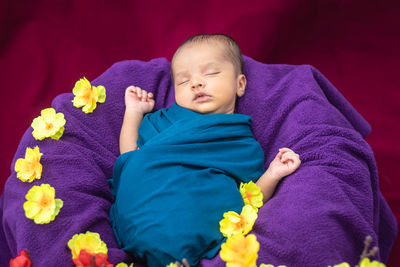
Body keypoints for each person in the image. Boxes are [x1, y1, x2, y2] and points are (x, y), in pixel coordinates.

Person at [109, 34, 301, 267]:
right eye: (183, 81)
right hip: (142, 212)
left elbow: (250, 197)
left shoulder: (239, 141)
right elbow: (129, 158)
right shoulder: (163, 120)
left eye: (210, 73)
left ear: (240, 84)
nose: (196, 83)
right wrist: (134, 112)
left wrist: (273, 173)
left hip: (191, 219)